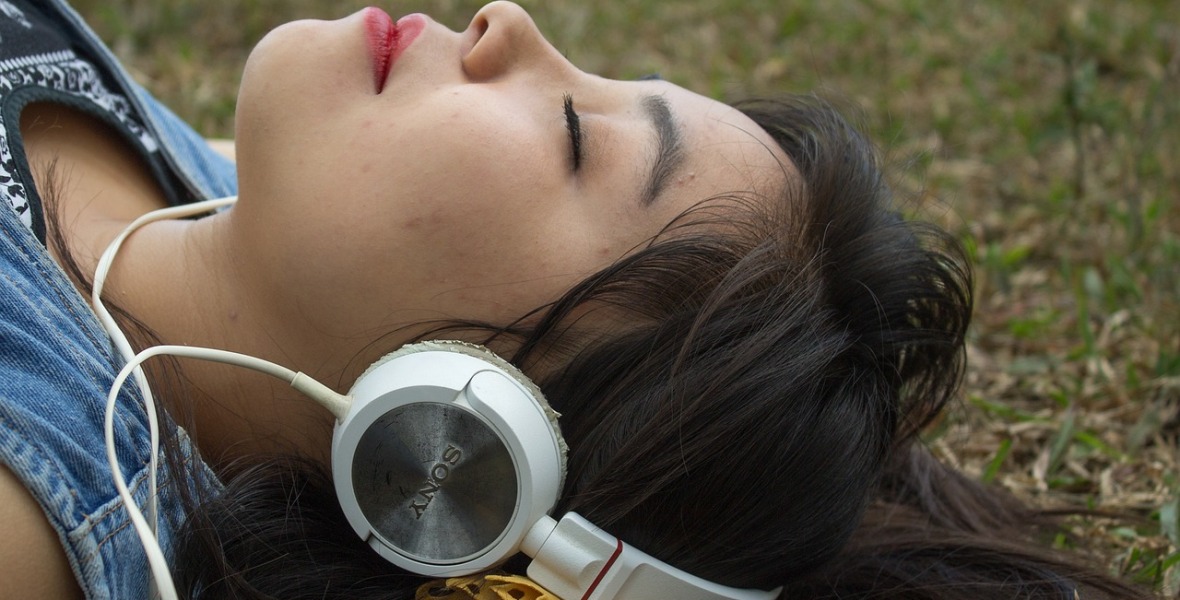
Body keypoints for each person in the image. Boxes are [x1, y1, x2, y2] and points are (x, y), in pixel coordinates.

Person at [0, 1, 1155, 599]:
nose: (508, 23)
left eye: (571, 136)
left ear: (460, 445)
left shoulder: (35, 517)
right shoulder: (205, 188)